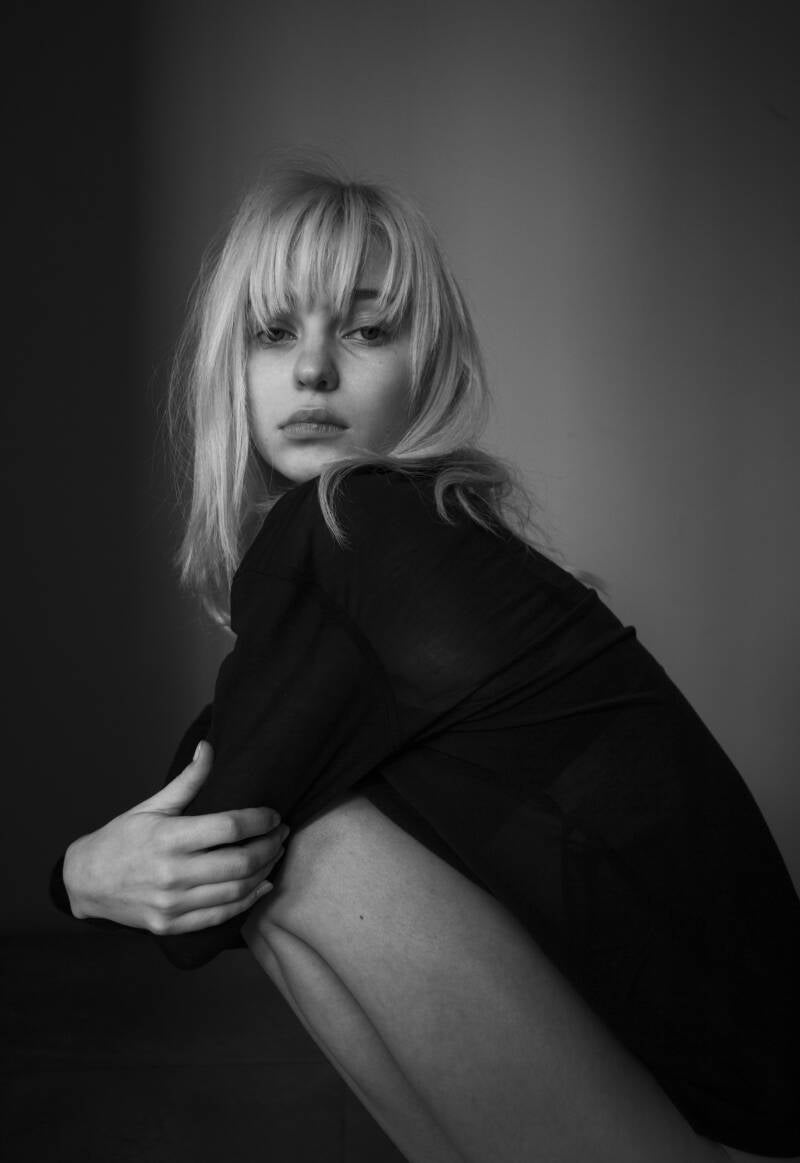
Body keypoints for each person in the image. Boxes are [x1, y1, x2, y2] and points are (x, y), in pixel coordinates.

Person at [51, 161, 800, 1163]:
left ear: (428, 365)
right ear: (231, 364)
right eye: (273, 332)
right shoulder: (421, 532)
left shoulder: (351, 526)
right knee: (296, 817)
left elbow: (197, 877)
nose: (313, 371)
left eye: (366, 330)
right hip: (752, 1091)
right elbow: (232, 768)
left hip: (736, 1125)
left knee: (290, 843)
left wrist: (73, 876)